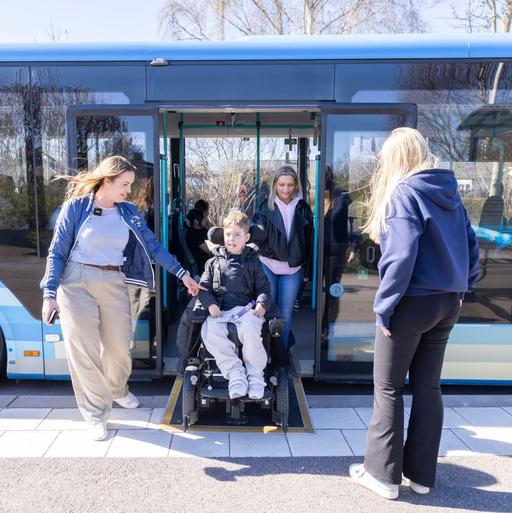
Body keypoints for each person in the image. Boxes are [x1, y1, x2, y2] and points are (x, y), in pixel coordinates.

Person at [349, 128, 479, 499]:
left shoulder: (405, 192)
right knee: (428, 388)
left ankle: (382, 476)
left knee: (388, 387)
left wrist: (384, 307)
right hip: (446, 303)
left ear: (395, 158)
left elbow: (401, 256)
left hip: (411, 304)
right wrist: (463, 289)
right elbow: (472, 246)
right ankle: (421, 477)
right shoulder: (449, 192)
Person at [40, 156, 203, 441]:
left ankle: (116, 388)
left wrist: (182, 274)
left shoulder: (128, 211)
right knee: (85, 352)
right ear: (107, 180)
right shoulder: (77, 208)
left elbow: (153, 246)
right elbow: (57, 252)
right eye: (125, 184)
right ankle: (96, 414)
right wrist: (49, 293)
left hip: (114, 280)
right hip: (75, 283)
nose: (129, 190)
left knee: (119, 347)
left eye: (130, 184)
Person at [198, 210, 272, 400]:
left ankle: (255, 377)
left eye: (237, 235)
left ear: (246, 237)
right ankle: (235, 374)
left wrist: (261, 303)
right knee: (210, 330)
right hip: (222, 310)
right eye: (228, 234)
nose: (231, 239)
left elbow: (264, 288)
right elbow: (204, 288)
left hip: (246, 310)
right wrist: (210, 305)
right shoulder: (213, 263)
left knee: (250, 327)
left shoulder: (254, 262)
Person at [252, 166, 313, 346]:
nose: (286, 189)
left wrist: (308, 270)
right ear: (275, 185)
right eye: (281, 184)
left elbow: (309, 241)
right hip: (268, 265)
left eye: (290, 185)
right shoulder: (265, 207)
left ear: (296, 186)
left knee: (285, 313)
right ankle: (265, 353)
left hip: (293, 269)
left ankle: (281, 354)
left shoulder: (303, 208)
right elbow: (258, 234)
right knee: (265, 310)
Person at [185, 207, 211, 275]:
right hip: (202, 265)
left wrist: (208, 224)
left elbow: (215, 234)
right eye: (203, 218)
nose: (206, 220)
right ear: (196, 221)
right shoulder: (194, 234)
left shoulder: (201, 229)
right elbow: (210, 250)